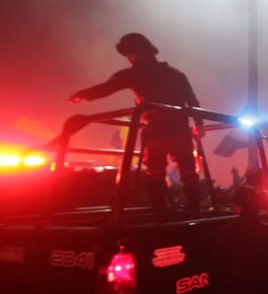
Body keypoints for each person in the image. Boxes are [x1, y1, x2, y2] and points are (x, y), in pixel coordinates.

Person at [68, 33, 205, 215]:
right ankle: (194, 210)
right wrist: (199, 123)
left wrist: (80, 95)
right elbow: (192, 101)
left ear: (133, 54)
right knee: (189, 172)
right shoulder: (176, 74)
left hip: (156, 131)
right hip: (180, 130)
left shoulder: (134, 74)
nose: (128, 60)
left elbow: (106, 88)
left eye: (128, 55)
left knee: (155, 172)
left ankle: (160, 212)